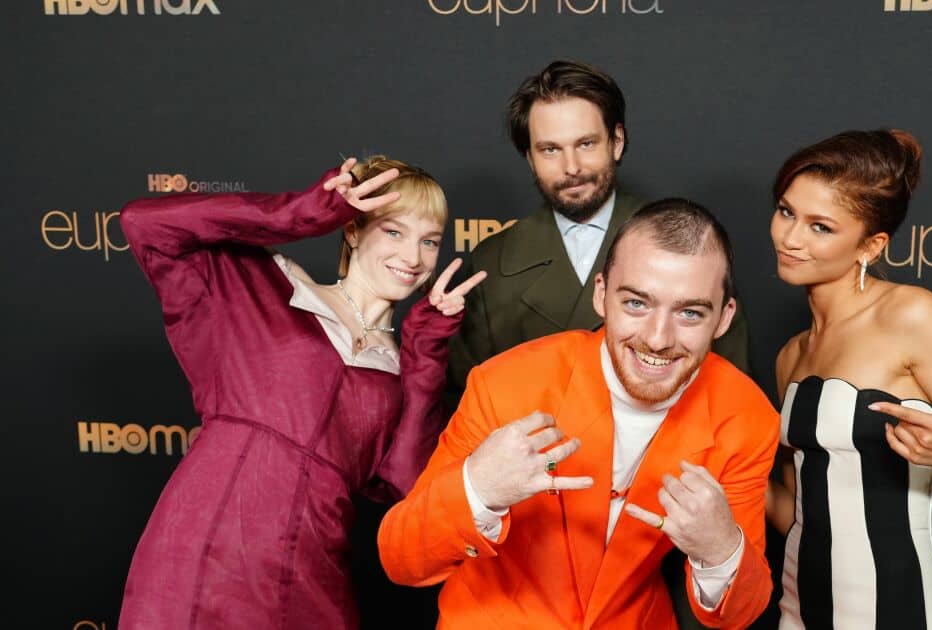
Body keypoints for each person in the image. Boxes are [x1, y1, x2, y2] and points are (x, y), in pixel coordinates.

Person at [117, 156, 485, 630]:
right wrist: (296, 215)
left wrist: (425, 351)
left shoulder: (400, 369)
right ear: (352, 230)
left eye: (429, 241)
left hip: (311, 576)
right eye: (394, 231)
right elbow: (143, 223)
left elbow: (407, 485)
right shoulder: (262, 285)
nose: (413, 257)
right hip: (203, 555)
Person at [378, 199, 778, 629]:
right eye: (637, 304)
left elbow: (738, 614)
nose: (658, 338)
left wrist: (721, 550)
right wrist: (478, 489)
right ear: (601, 294)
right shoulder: (506, 382)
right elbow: (401, 559)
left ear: (724, 318)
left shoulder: (745, 417)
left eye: (690, 313)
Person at [763, 129, 932, 630]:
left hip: (892, 610)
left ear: (871, 245)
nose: (790, 238)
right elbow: (797, 513)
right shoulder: (790, 355)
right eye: (786, 211)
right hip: (798, 608)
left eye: (821, 227)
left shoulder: (910, 315)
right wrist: (720, 468)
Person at [448, 59, 751, 399]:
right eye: (551, 150)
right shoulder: (491, 262)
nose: (572, 167)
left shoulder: (692, 245)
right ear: (530, 158)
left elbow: (731, 392)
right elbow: (468, 401)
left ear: (616, 141)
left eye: (586, 144)